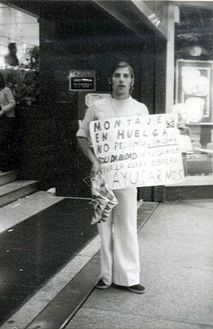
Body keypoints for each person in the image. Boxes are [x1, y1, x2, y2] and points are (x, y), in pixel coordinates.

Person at [76, 61, 149, 294]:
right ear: (111, 79)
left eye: (125, 76)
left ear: (132, 81)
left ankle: (128, 277)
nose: (120, 80)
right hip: (102, 175)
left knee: (126, 223)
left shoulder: (139, 108)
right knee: (104, 224)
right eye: (117, 75)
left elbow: (148, 141)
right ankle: (106, 276)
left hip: (127, 174)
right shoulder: (98, 107)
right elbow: (81, 135)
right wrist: (94, 161)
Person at [0, 71, 17, 171]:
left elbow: (12, 103)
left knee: (5, 140)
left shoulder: (6, 90)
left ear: (1, 79)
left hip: (6, 117)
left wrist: (3, 111)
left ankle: (6, 165)